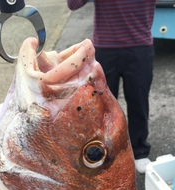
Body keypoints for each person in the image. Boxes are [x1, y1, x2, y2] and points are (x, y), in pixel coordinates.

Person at [67, 0, 156, 174]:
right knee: (101, 109)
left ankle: (139, 151)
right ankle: (101, 152)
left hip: (140, 47)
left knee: (139, 103)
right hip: (104, 49)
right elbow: (73, 4)